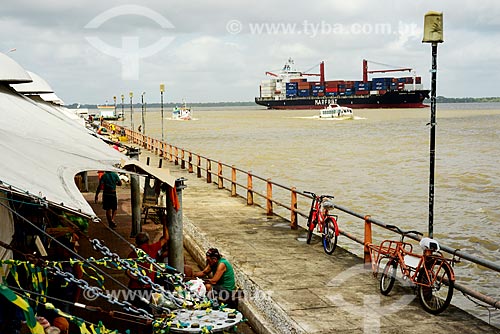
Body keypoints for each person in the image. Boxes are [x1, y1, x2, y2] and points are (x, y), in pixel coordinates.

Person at [126, 232, 168, 311]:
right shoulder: (151, 249)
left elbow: (127, 272)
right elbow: (166, 238)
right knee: (146, 309)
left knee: (132, 309)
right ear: (148, 241)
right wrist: (165, 222)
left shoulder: (132, 254)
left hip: (134, 287)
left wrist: (137, 279)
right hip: (147, 286)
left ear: (136, 242)